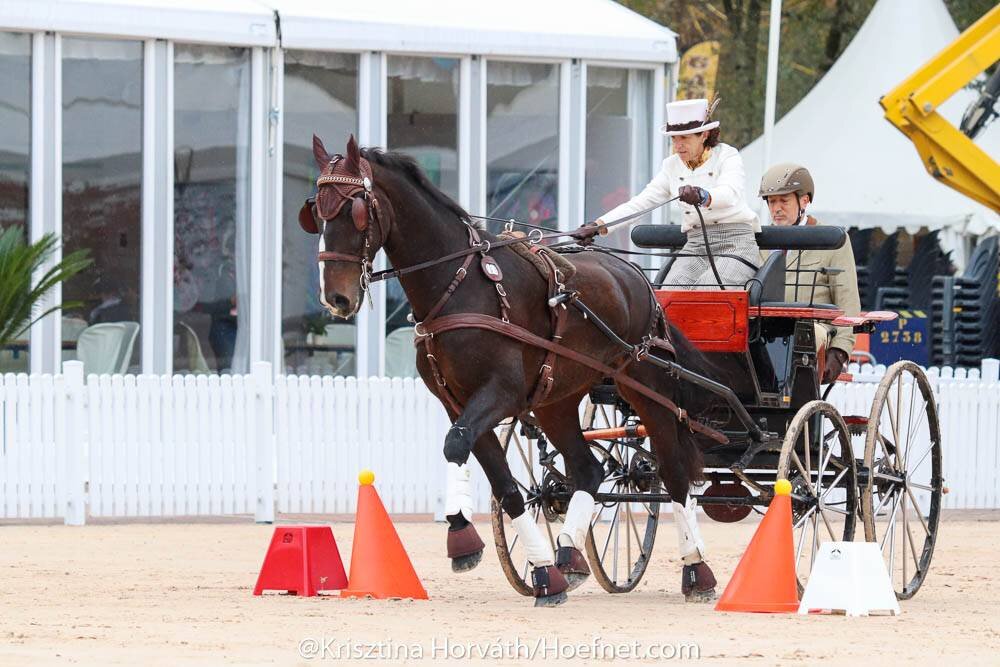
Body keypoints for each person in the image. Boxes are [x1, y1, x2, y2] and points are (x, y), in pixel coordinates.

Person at [574, 98, 761, 290]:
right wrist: (599, 225)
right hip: (695, 245)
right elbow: (643, 202)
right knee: (670, 293)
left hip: (735, 244)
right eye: (674, 139)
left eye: (684, 138)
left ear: (704, 134)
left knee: (709, 292)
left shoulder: (727, 156)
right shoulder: (671, 165)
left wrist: (702, 195)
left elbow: (730, 193)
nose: (678, 145)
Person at [759, 163, 861, 383]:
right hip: (763, 334)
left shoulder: (833, 241)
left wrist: (839, 352)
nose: (776, 208)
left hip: (811, 335)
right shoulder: (760, 242)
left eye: (783, 201)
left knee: (806, 336)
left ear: (804, 201)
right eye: (771, 201)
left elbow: (848, 301)